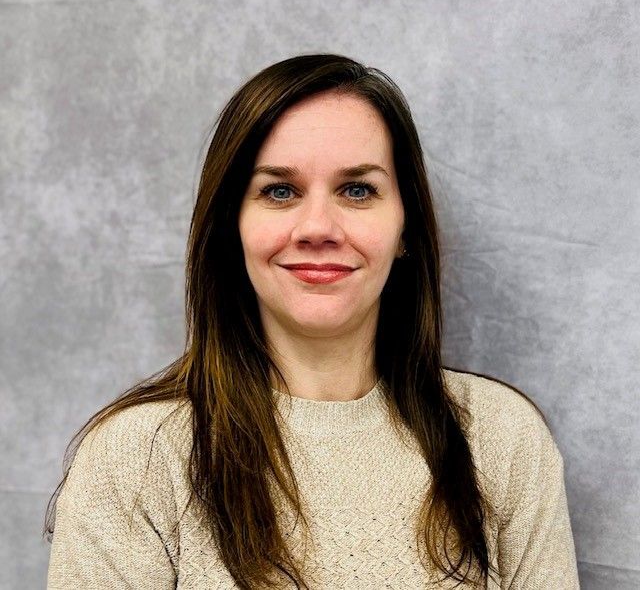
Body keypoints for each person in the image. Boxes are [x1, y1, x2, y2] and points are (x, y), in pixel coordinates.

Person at [44, 54, 580, 589]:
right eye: (279, 191)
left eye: (357, 190)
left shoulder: (500, 439)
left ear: (406, 229)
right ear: (232, 226)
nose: (318, 227)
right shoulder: (134, 460)